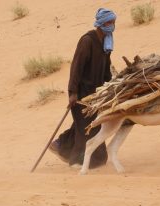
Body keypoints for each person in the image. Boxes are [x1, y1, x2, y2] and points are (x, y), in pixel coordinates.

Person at [49, 8, 116, 168]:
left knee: (83, 124)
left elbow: (106, 67)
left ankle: (60, 145)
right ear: (100, 23)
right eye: (109, 22)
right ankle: (80, 161)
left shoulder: (106, 42)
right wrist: (72, 93)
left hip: (96, 94)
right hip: (82, 93)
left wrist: (110, 85)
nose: (112, 26)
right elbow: (76, 68)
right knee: (88, 127)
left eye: (113, 22)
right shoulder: (87, 41)